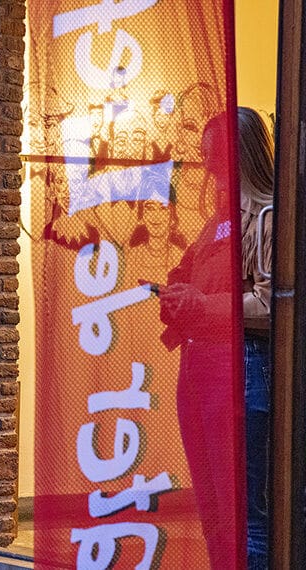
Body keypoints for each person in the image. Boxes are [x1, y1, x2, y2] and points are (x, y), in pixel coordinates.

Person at [158, 109, 250, 569]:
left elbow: (265, 301)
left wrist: (198, 303)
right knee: (208, 497)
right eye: (207, 161)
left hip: (228, 367)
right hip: (194, 367)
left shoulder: (258, 215)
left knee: (232, 495)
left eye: (218, 161)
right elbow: (190, 269)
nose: (211, 172)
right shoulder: (215, 218)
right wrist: (174, 291)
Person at [235, 106, 274, 570]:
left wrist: (214, 300)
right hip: (236, 358)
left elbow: (267, 304)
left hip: (256, 362)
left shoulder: (266, 215)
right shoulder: (239, 212)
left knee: (255, 505)